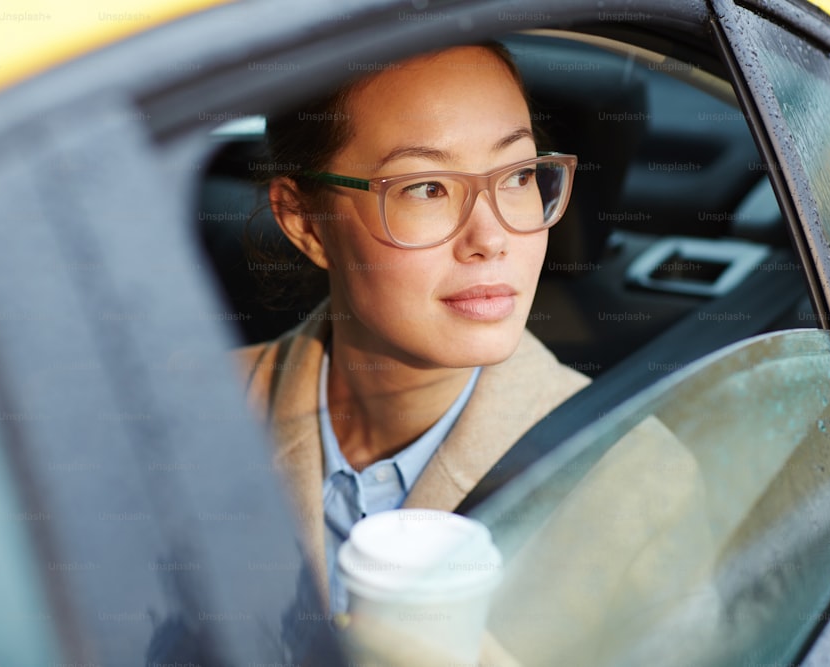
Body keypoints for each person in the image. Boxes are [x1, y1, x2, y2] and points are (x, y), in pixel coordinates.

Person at [234, 43, 589, 618]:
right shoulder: (191, 421)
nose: (491, 237)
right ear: (305, 222)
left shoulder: (627, 479)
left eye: (520, 174)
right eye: (425, 188)